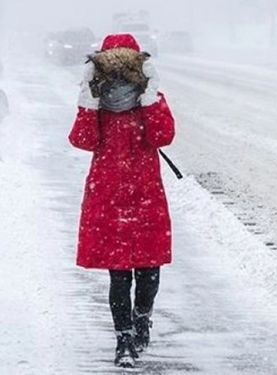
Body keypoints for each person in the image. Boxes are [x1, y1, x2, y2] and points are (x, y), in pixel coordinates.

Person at [68, 33, 175, 368]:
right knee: (119, 274)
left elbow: (163, 135)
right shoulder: (98, 104)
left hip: (140, 194)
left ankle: (142, 317)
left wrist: (150, 97)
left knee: (148, 271)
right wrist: (88, 100)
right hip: (113, 195)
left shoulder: (148, 99)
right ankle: (124, 339)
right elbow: (82, 140)